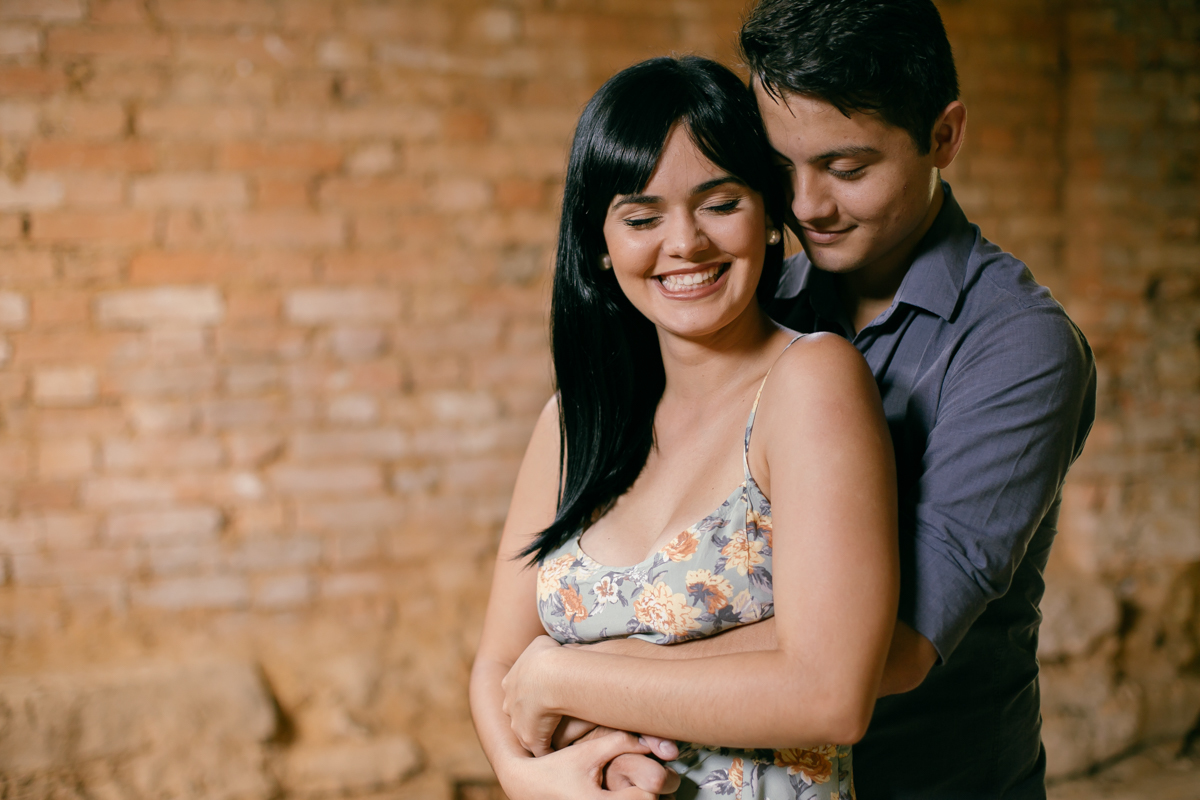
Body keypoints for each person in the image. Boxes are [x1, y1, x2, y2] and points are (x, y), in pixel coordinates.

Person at [501, 1, 1099, 798]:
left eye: (847, 168)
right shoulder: (745, 296)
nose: (808, 205)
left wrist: (581, 677)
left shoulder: (1018, 347)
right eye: (781, 172)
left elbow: (890, 647)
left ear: (944, 136)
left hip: (932, 779)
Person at [469, 55, 901, 799]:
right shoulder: (575, 421)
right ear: (602, 247)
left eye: (720, 203)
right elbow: (497, 667)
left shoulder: (811, 384)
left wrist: (567, 677)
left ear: (769, 216)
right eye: (641, 218)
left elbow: (831, 695)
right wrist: (525, 777)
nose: (686, 243)